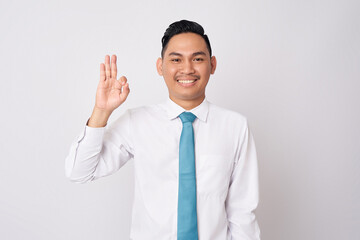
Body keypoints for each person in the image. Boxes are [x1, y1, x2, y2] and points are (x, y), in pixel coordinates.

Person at [65, 20, 260, 239]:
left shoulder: (235, 127)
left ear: (212, 65)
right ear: (160, 66)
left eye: (197, 58)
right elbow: (79, 172)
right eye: (176, 59)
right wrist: (101, 111)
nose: (187, 68)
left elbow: (242, 212)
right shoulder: (136, 122)